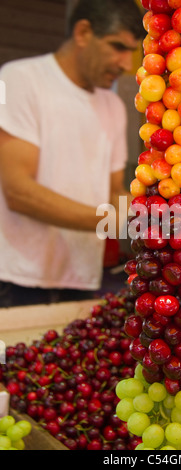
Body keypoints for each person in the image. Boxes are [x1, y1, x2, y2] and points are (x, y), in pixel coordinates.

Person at [0, 0, 144, 307]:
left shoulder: (113, 107)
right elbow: (18, 192)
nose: (125, 63)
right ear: (83, 32)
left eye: (131, 52)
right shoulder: (18, 80)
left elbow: (114, 191)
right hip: (17, 277)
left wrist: (154, 219)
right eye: (117, 47)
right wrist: (120, 224)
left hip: (81, 277)